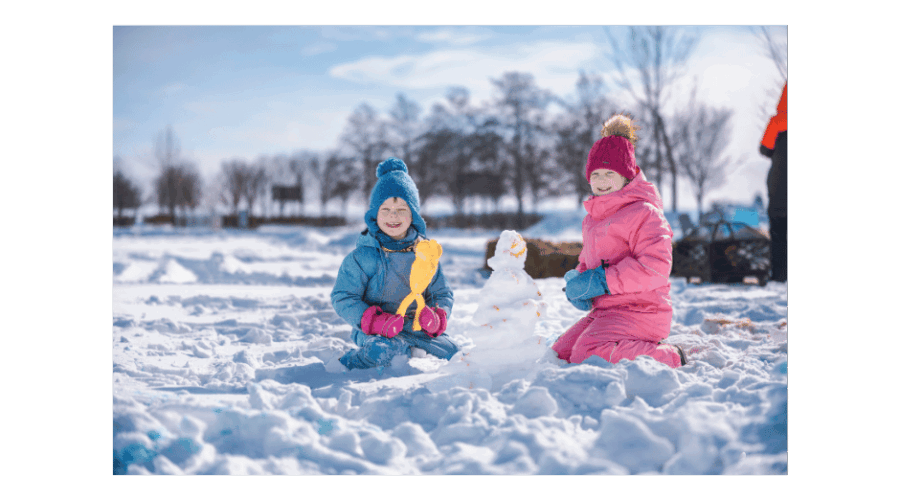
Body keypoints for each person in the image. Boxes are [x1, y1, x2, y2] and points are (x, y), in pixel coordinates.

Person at [551, 114, 686, 368]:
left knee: (587, 353)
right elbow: (588, 260)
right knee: (561, 353)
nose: (601, 181)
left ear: (626, 176)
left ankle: (669, 356)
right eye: (596, 174)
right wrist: (579, 281)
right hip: (607, 310)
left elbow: (655, 268)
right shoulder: (593, 218)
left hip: (642, 310)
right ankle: (622, 346)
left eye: (609, 173)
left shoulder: (645, 213)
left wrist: (602, 281)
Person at [328, 157, 457, 372]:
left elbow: (442, 293)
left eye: (401, 210)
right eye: (385, 210)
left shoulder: (425, 255)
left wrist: (436, 317)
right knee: (382, 352)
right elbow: (343, 296)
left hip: (418, 329)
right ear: (374, 216)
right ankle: (347, 364)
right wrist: (374, 321)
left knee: (456, 354)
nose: (393, 216)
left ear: (413, 215)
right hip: (376, 331)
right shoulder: (363, 257)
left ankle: (415, 349)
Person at [759, 82, 787, 282]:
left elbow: (764, 150)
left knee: (778, 233)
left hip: (779, 188)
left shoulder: (777, 122)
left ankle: (779, 274)